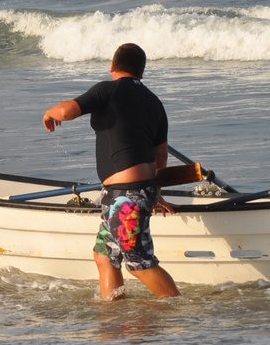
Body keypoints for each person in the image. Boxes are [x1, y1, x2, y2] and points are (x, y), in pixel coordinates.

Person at [42, 43, 180, 300]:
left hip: (125, 196)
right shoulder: (154, 102)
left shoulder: (108, 89)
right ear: (142, 72)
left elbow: (66, 111)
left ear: (113, 67)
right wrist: (155, 194)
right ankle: (114, 312)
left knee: (139, 262)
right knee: (105, 255)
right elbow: (161, 156)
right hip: (133, 192)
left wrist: (50, 112)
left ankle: (178, 309)